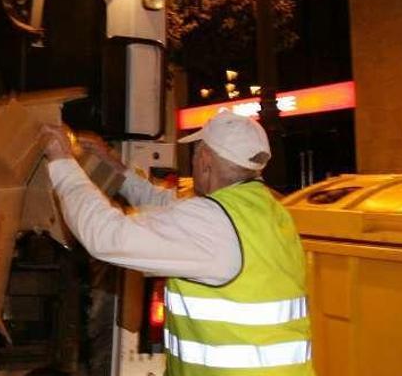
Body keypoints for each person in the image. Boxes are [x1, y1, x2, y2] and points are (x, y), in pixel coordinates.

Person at [41, 111, 313, 375]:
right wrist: (115, 165)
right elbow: (169, 206)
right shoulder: (268, 210)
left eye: (195, 153)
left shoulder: (211, 224)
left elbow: (104, 235)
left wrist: (62, 161)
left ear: (205, 158)